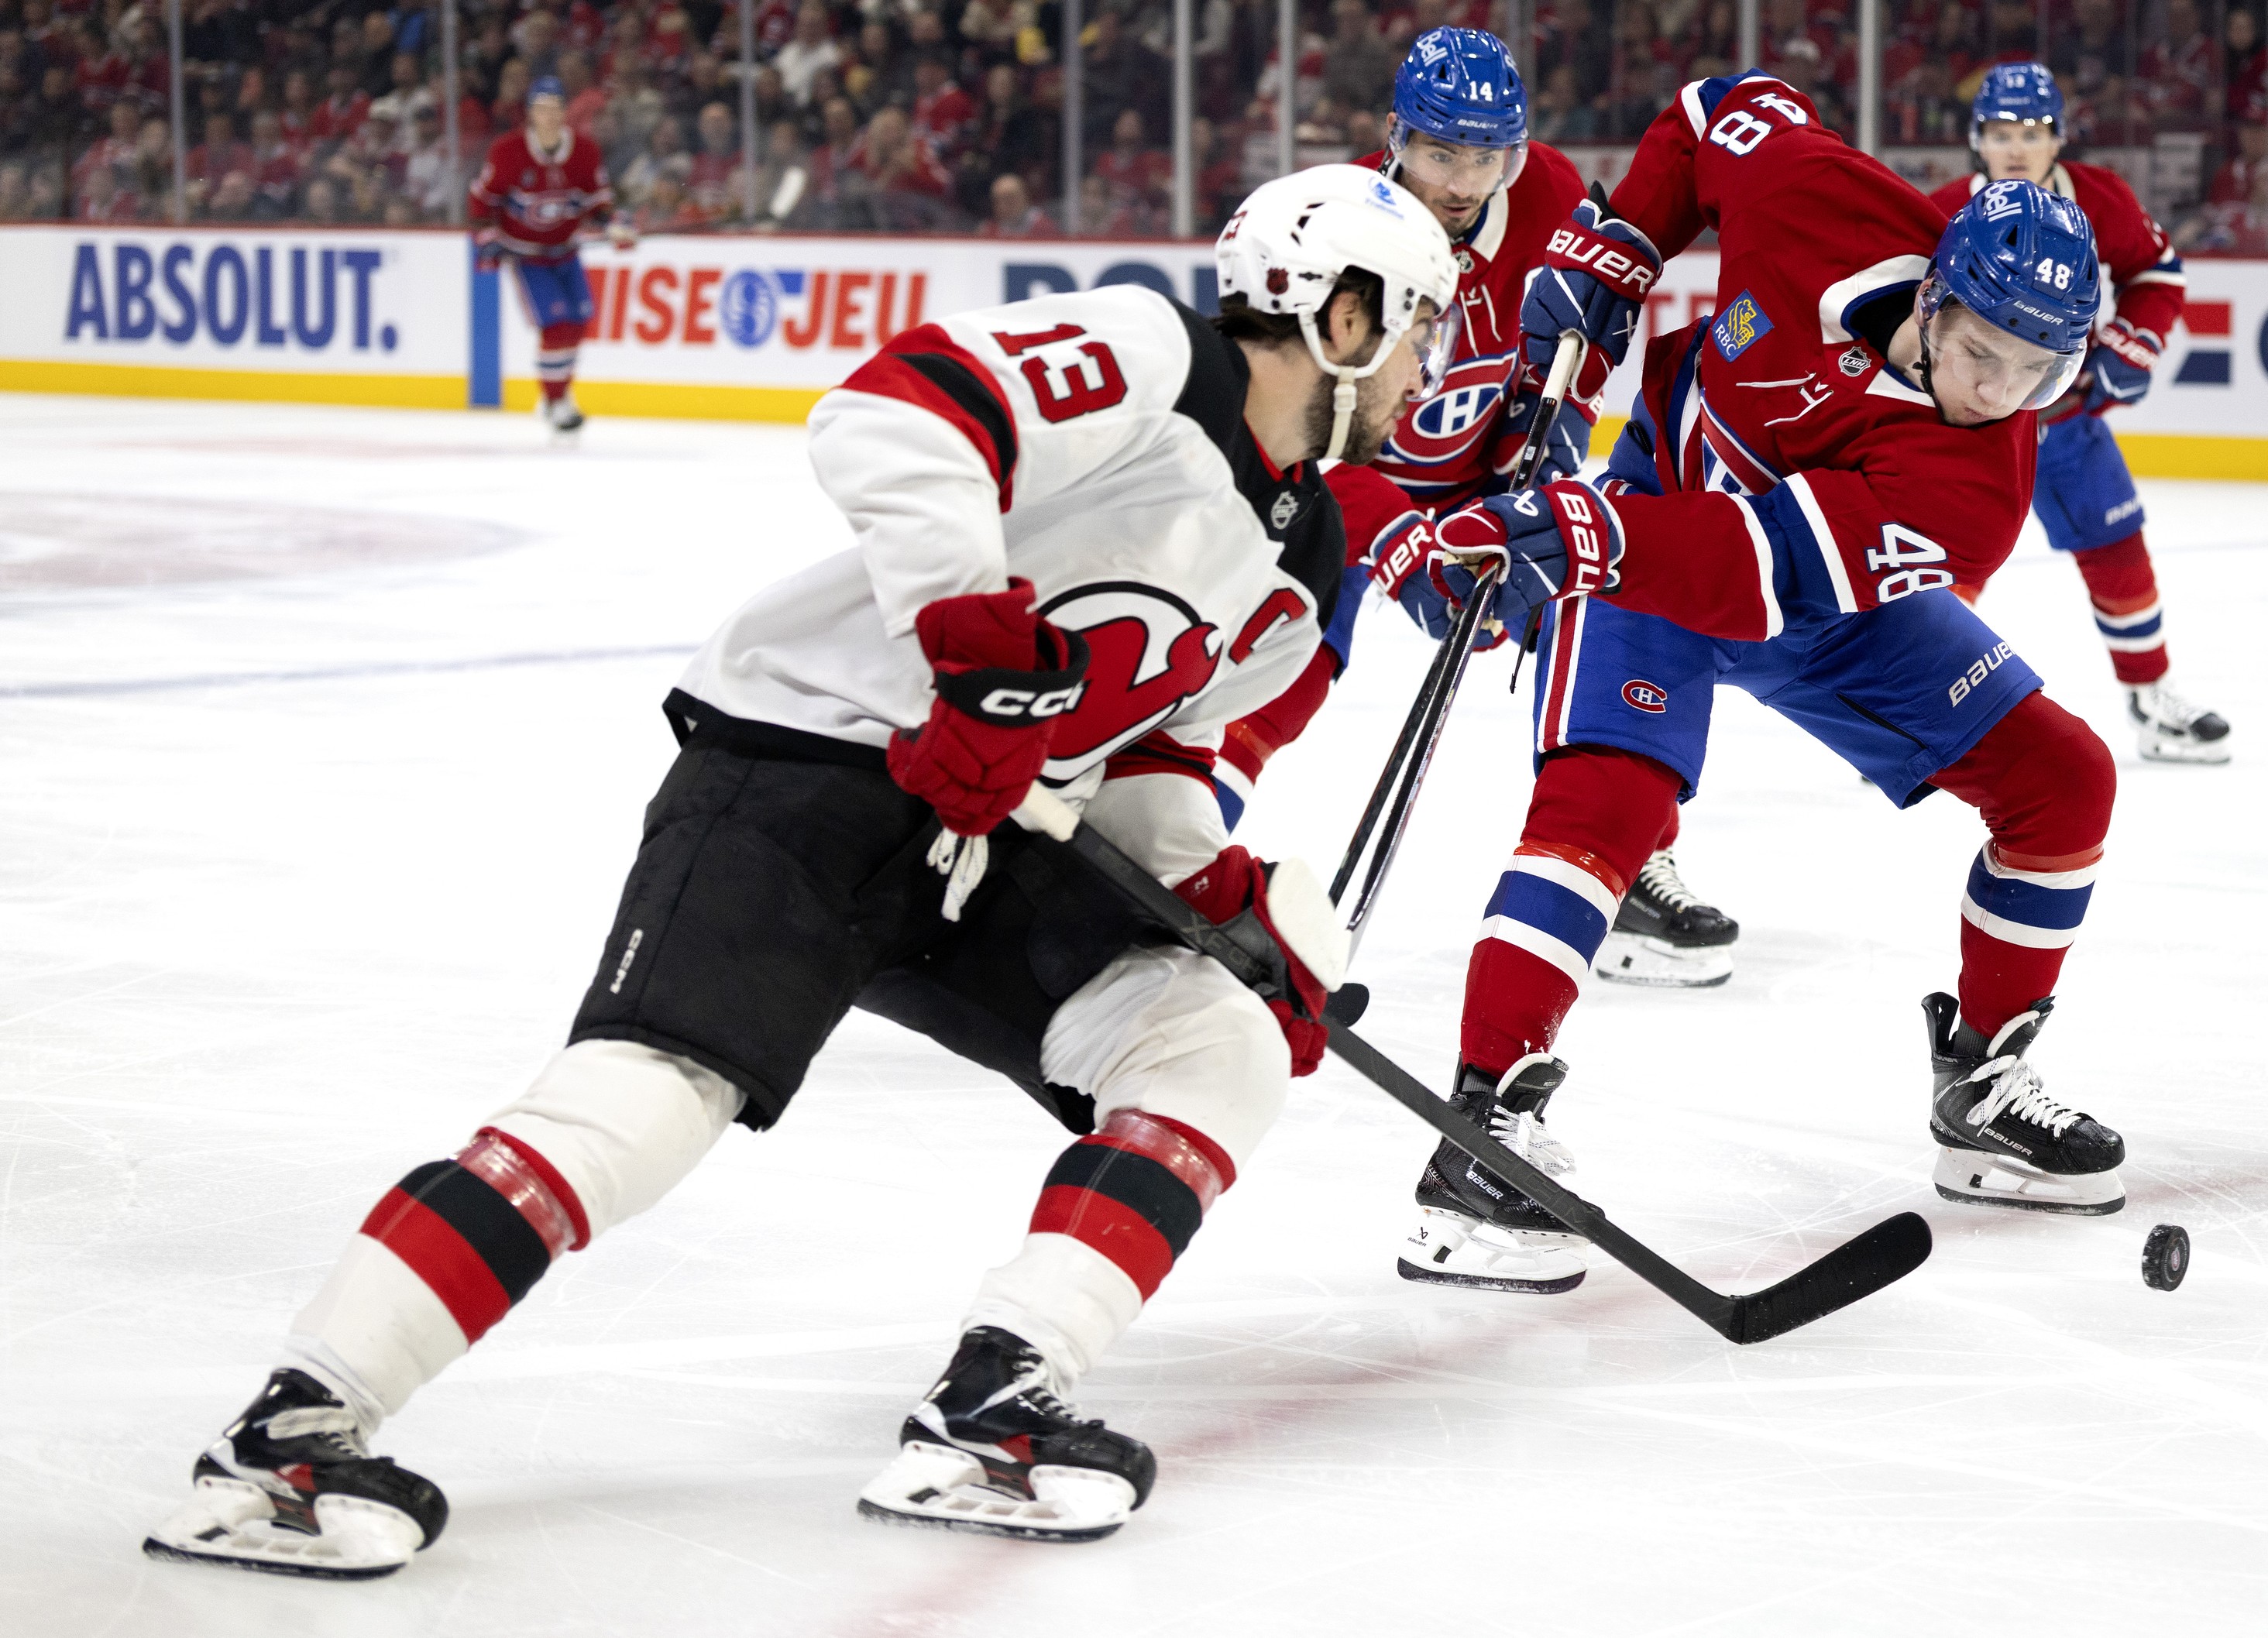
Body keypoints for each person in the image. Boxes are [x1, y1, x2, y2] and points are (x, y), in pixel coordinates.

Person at [139, 163, 1459, 1575]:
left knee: (1215, 1041)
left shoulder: (1306, 552)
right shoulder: (1157, 357)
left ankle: (996, 1411)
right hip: (813, 764)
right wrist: (970, 636)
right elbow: (896, 410)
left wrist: (1224, 910)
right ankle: (287, 1440)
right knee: (650, 1100)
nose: (1432, 367)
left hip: (989, 836)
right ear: (1345, 313)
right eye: (1425, 325)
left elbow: (1153, 760)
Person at [1420, 73, 2130, 1256]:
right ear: (1938, 292)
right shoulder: (1823, 200)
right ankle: (1480, 1131)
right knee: (1609, 799)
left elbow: (1760, 569)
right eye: (1987, 353)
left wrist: (1592, 536)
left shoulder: (1974, 486)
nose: (2002, 394)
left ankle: (1983, 1085)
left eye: (2039, 373)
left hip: (1797, 590)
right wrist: (1623, 250)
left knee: (2065, 780)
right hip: (1660, 509)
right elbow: (1713, 111)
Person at [1209, 31, 1745, 1302]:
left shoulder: (1555, 198)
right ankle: (1189, 836)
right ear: (1395, 136)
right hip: (1355, 482)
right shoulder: (1345, 221)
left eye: (1487, 154)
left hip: (1503, 479)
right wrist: (1400, 548)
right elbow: (1315, 429)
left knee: (1600, 614)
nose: (1464, 178)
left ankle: (1632, 858)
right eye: (1443, 151)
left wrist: (1533, 495)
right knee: (1287, 639)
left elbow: (1581, 364)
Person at [1930, 63, 2229, 764]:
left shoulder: (2100, 198)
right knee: (1949, 569)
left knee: (2117, 549)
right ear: (1977, 139)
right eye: (1999, 131)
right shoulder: (1945, 208)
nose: (2014, 147)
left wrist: (2136, 340)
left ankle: (2152, 699)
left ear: (2057, 137)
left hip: (2066, 418)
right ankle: (1911, 709)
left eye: (2031, 132)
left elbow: (2156, 270)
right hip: (1971, 431)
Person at [469, 77, 628, 435]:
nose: (550, 116)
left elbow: (598, 202)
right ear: (530, 113)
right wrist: (488, 237)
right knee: (556, 325)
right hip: (527, 257)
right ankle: (555, 402)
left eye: (556, 108)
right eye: (542, 108)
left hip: (566, 251)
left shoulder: (585, 152)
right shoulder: (507, 152)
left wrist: (612, 225)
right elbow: (482, 201)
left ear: (565, 112)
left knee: (578, 322)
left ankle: (558, 396)